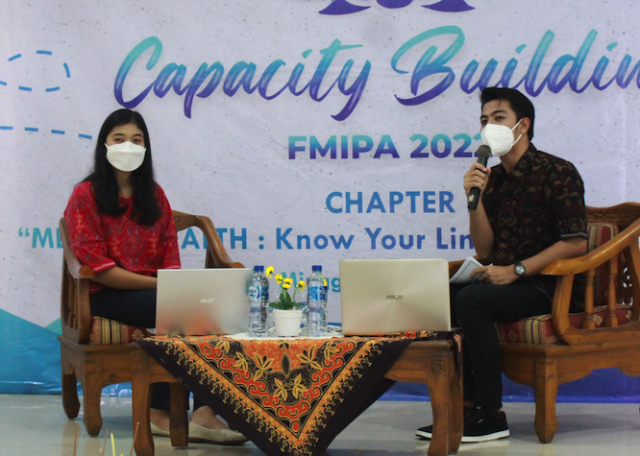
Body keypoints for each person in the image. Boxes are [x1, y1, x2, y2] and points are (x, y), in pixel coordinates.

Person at [64, 108, 247, 445]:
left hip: (154, 292)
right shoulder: (85, 195)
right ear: (104, 145)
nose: (128, 146)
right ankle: (160, 412)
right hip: (105, 295)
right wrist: (162, 287)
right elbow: (99, 270)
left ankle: (204, 411)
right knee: (175, 308)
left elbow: (170, 259)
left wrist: (170, 286)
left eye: (136, 140)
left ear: (146, 147)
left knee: (209, 309)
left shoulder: (154, 195)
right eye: (119, 139)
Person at [416, 88, 588, 443]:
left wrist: (517, 270)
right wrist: (474, 200)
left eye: (498, 118)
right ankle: (463, 408)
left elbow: (575, 242)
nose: (488, 127)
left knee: (473, 300)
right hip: (509, 284)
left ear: (522, 125)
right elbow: (486, 249)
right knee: (444, 296)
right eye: (484, 120)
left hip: (551, 286)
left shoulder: (558, 171)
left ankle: (490, 412)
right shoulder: (492, 179)